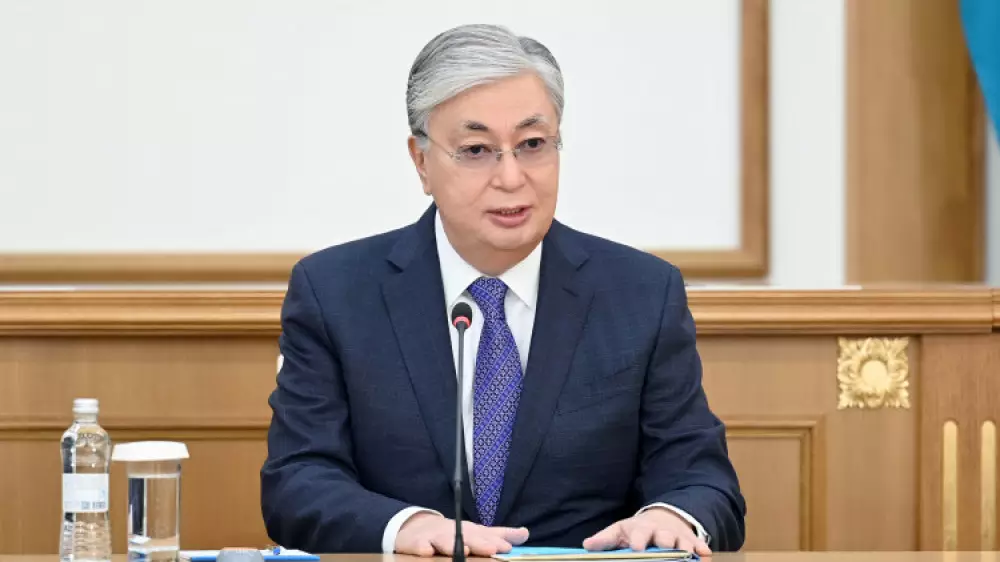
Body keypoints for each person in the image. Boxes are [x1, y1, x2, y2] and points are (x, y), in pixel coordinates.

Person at [260, 23, 746, 557]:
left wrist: (671, 515)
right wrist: (404, 527)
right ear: (421, 162)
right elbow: (297, 482)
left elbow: (702, 479)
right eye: (476, 150)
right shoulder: (335, 293)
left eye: (533, 144)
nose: (512, 178)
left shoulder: (641, 294)